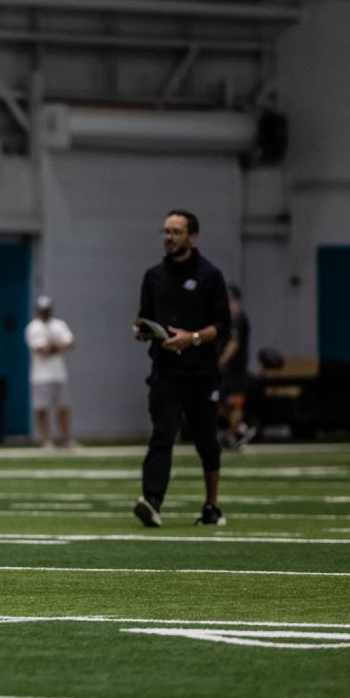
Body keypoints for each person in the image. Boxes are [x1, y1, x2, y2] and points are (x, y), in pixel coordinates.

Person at [132, 209, 231, 528]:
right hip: (164, 372)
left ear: (192, 236)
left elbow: (222, 325)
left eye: (176, 232)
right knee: (162, 435)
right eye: (165, 231)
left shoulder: (209, 275)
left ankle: (212, 505)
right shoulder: (154, 276)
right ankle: (152, 501)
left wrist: (193, 338)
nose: (169, 237)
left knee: (206, 440)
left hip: (201, 373)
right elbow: (143, 316)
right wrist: (141, 331)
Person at [25, 296, 76, 449]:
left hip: (59, 373)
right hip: (41, 376)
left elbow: (71, 343)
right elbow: (42, 350)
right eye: (43, 310)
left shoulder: (59, 324)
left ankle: (67, 439)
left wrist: (51, 347)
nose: (45, 313)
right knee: (42, 409)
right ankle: (46, 440)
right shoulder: (33, 327)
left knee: (63, 407)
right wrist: (58, 346)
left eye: (47, 310)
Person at [218, 284, 254, 449]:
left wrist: (222, 361)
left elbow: (234, 343)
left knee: (234, 403)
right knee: (220, 402)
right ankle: (239, 430)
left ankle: (236, 434)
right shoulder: (228, 320)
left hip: (235, 370)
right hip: (229, 371)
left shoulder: (238, 318)